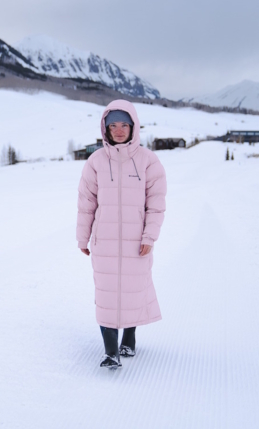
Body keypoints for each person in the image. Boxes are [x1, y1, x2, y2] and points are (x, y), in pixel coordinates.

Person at [76, 99, 167, 370]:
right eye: (112, 125)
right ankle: (110, 352)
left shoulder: (148, 161)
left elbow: (157, 204)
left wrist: (149, 237)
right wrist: (82, 238)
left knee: (132, 292)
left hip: (136, 244)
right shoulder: (95, 161)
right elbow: (86, 203)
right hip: (104, 243)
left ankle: (129, 337)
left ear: (133, 126)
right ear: (105, 128)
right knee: (106, 294)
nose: (118, 130)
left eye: (123, 125)